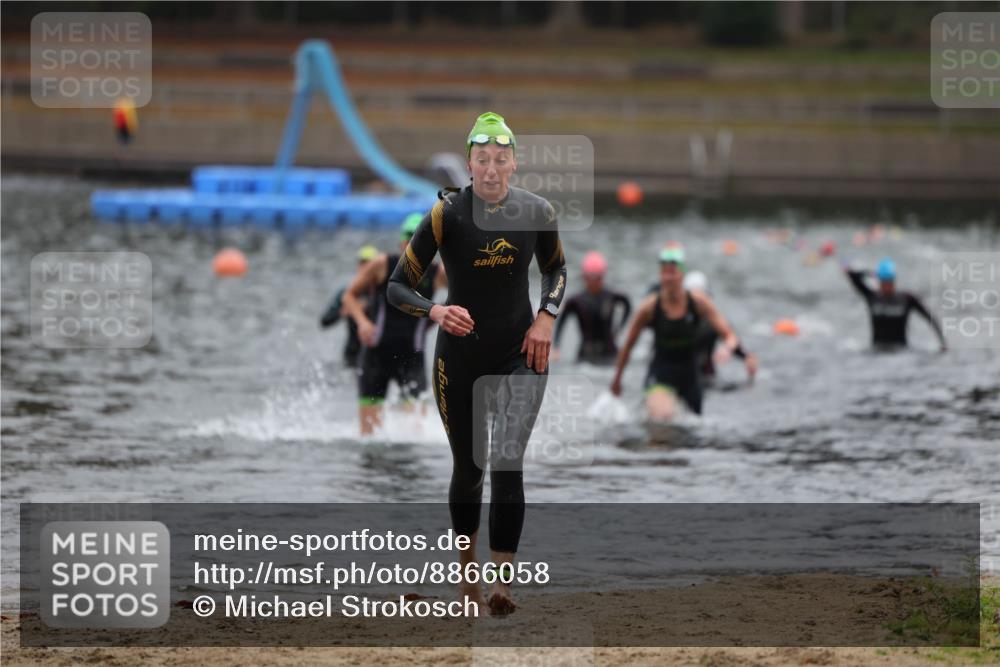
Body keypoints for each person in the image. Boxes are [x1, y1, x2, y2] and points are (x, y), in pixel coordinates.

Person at [387, 112, 566, 616]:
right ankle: (467, 571)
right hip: (459, 358)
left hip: (521, 352)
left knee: (508, 460)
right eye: (482, 160)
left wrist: (546, 316)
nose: (491, 169)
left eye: (500, 160)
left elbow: (556, 267)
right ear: (469, 163)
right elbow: (398, 285)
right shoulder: (447, 216)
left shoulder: (537, 211)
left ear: (514, 164)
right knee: (470, 469)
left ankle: (503, 584)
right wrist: (436, 310)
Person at [610, 244, 744, 421]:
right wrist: (617, 379)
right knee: (663, 419)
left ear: (682, 275)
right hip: (660, 373)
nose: (668, 277)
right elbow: (628, 347)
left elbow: (730, 335)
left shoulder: (698, 303)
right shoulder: (649, 307)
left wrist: (727, 347)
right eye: (664, 272)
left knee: (692, 432)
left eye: (672, 272)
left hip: (690, 376)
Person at [342, 216, 446, 435]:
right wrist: (362, 323)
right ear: (401, 243)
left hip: (412, 358)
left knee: (416, 435)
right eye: (411, 238)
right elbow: (349, 296)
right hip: (375, 355)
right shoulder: (381, 264)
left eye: (423, 240)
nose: (415, 245)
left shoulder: (438, 274)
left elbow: (468, 292)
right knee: (369, 436)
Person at [845, 257, 946, 351]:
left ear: (894, 281)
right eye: (884, 282)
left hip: (900, 351)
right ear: (879, 281)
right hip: (876, 351)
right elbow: (852, 276)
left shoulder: (907, 299)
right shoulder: (872, 297)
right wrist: (873, 273)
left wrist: (943, 344)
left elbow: (930, 317)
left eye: (889, 282)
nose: (887, 286)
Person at [552, 251, 631, 365]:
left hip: (609, 352)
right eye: (591, 277)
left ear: (603, 276)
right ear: (584, 277)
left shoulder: (611, 296)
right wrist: (556, 347)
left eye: (598, 277)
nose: (594, 282)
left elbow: (628, 305)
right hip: (585, 354)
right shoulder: (576, 301)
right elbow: (562, 322)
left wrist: (619, 329)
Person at [682, 271, 757, 385]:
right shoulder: (674, 320)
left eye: (701, 298)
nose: (698, 303)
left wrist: (745, 356)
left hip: (706, 376)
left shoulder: (713, 322)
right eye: (693, 300)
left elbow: (734, 342)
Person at [319, 245, 378, 369]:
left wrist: (368, 307)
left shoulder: (382, 293)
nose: (366, 267)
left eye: (369, 264)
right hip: (352, 355)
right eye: (363, 263)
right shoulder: (347, 294)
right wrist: (343, 312)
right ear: (358, 266)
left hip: (376, 354)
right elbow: (324, 321)